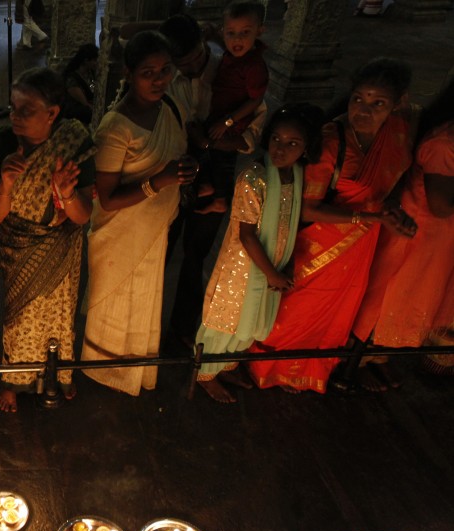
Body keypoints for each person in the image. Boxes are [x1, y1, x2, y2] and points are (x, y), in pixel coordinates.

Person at [248, 58, 417, 393]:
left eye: (377, 103)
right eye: (358, 99)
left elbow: (391, 182)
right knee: (298, 309)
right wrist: (369, 218)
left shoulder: (397, 133)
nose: (363, 111)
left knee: (336, 310)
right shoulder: (333, 141)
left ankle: (312, 370)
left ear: (398, 104)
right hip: (319, 246)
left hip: (360, 246)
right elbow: (308, 209)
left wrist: (392, 210)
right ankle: (271, 369)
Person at [81, 32, 197, 396]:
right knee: (118, 298)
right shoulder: (116, 128)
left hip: (154, 228)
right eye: (148, 72)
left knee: (145, 296)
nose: (159, 79)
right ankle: (106, 370)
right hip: (120, 234)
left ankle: (137, 369)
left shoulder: (171, 108)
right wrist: (157, 182)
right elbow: (109, 200)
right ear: (129, 74)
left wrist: (187, 173)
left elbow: (178, 151)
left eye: (165, 70)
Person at [0, 67, 95, 413]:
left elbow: (82, 215)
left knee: (59, 317)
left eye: (26, 111)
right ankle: (13, 380)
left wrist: (66, 192)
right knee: (18, 318)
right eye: (12, 108)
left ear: (52, 113)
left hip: (60, 248)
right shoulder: (1, 144)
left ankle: (56, 376)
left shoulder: (74, 141)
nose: (15, 117)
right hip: (18, 246)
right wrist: (4, 184)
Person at [195, 104, 324, 403]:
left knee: (247, 321)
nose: (281, 149)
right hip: (243, 264)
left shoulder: (295, 176)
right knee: (225, 320)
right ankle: (204, 374)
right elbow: (247, 234)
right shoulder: (255, 177)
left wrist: (283, 267)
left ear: (306, 149)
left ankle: (225, 365)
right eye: (276, 139)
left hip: (271, 263)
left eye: (292, 144)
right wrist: (273, 275)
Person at [160, 13, 268, 348]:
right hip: (176, 176)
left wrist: (208, 140)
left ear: (204, 44)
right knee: (158, 254)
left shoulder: (230, 70)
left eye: (196, 58)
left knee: (194, 258)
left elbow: (250, 136)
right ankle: (144, 328)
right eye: (183, 63)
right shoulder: (169, 80)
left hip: (216, 167)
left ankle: (180, 334)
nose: (191, 67)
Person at [350, 78, 454, 390]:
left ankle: (380, 357)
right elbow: (440, 204)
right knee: (388, 299)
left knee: (411, 301)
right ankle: (356, 361)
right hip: (418, 234)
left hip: (436, 239)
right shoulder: (445, 143)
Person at [202, 0, 268, 216]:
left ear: (259, 31)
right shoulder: (236, 53)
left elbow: (255, 101)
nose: (237, 39)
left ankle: (221, 198)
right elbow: (229, 48)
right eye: (231, 33)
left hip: (232, 123)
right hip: (219, 114)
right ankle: (210, 186)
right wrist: (214, 37)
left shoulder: (254, 66)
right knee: (209, 151)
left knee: (223, 158)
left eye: (245, 33)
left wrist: (227, 121)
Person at [61, 44, 99, 125]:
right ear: (86, 60)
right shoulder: (72, 78)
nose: (97, 63)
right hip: (76, 109)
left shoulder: (91, 73)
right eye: (95, 60)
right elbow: (84, 103)